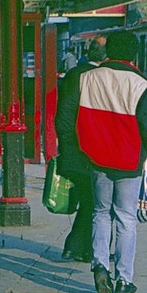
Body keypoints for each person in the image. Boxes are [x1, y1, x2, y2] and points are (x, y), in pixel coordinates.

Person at [79, 31, 147, 293]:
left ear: (109, 51)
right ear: (134, 53)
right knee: (126, 217)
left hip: (96, 159)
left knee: (100, 213)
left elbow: (74, 119)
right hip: (129, 162)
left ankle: (100, 265)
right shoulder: (140, 85)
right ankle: (124, 280)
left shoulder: (87, 79)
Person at [53, 36, 106, 263]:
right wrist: (70, 148)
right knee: (93, 202)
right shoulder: (84, 76)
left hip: (80, 149)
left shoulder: (77, 73)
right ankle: (81, 248)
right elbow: (66, 116)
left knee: (90, 201)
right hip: (82, 151)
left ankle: (76, 247)